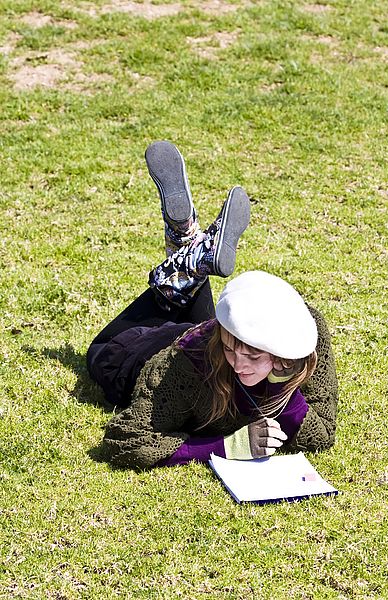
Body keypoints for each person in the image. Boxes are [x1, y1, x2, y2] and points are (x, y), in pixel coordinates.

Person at [87, 141, 338, 469]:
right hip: (133, 352)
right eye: (233, 350)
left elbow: (320, 434)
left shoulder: (306, 332)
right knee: (99, 351)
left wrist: (283, 384)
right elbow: (128, 442)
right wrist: (227, 445)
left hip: (202, 335)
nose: (238, 364)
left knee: (193, 306)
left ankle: (190, 247)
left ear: (283, 355)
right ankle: (191, 252)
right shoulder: (185, 365)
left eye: (252, 355)